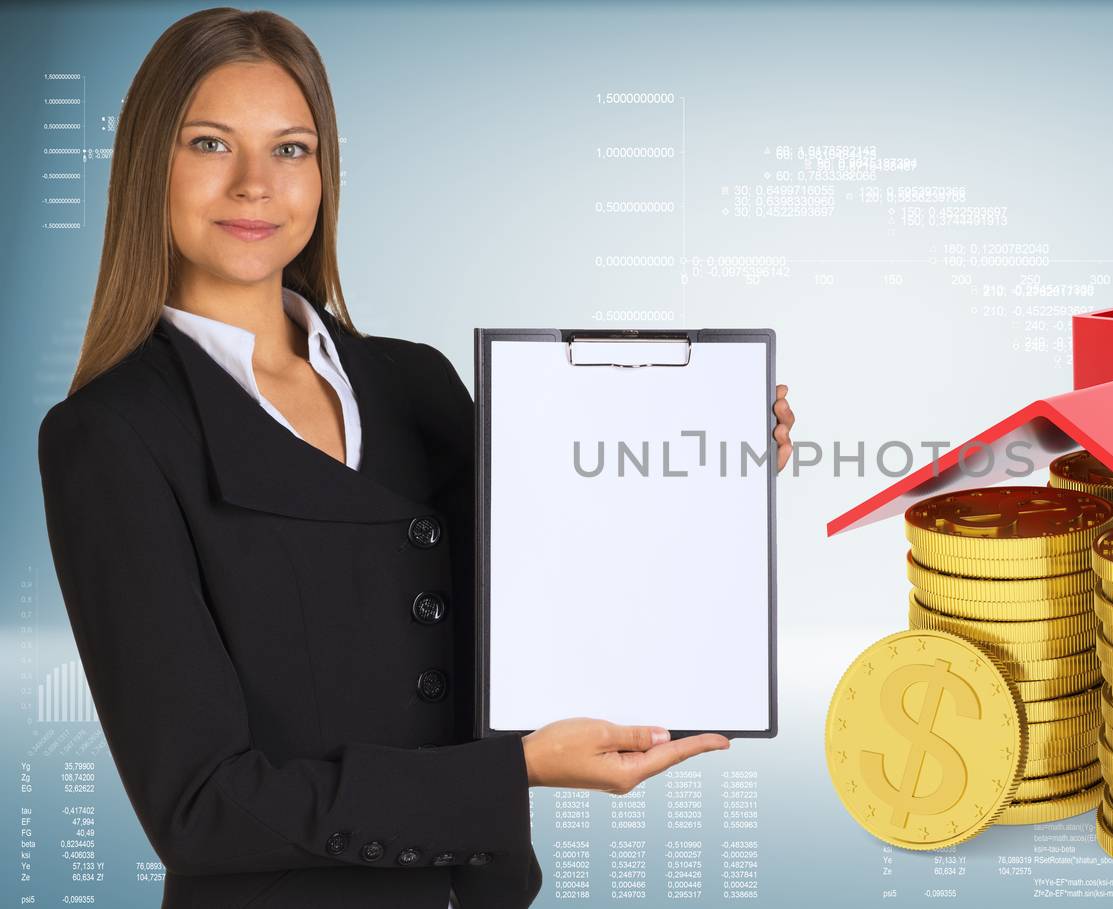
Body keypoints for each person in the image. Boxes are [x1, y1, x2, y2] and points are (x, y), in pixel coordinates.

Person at [35, 8, 796, 909]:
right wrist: (511, 774)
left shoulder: (419, 383)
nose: (254, 185)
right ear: (147, 169)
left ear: (324, 175)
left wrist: (699, 473)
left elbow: (547, 590)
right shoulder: (111, 434)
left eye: (290, 149)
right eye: (210, 143)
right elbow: (202, 807)